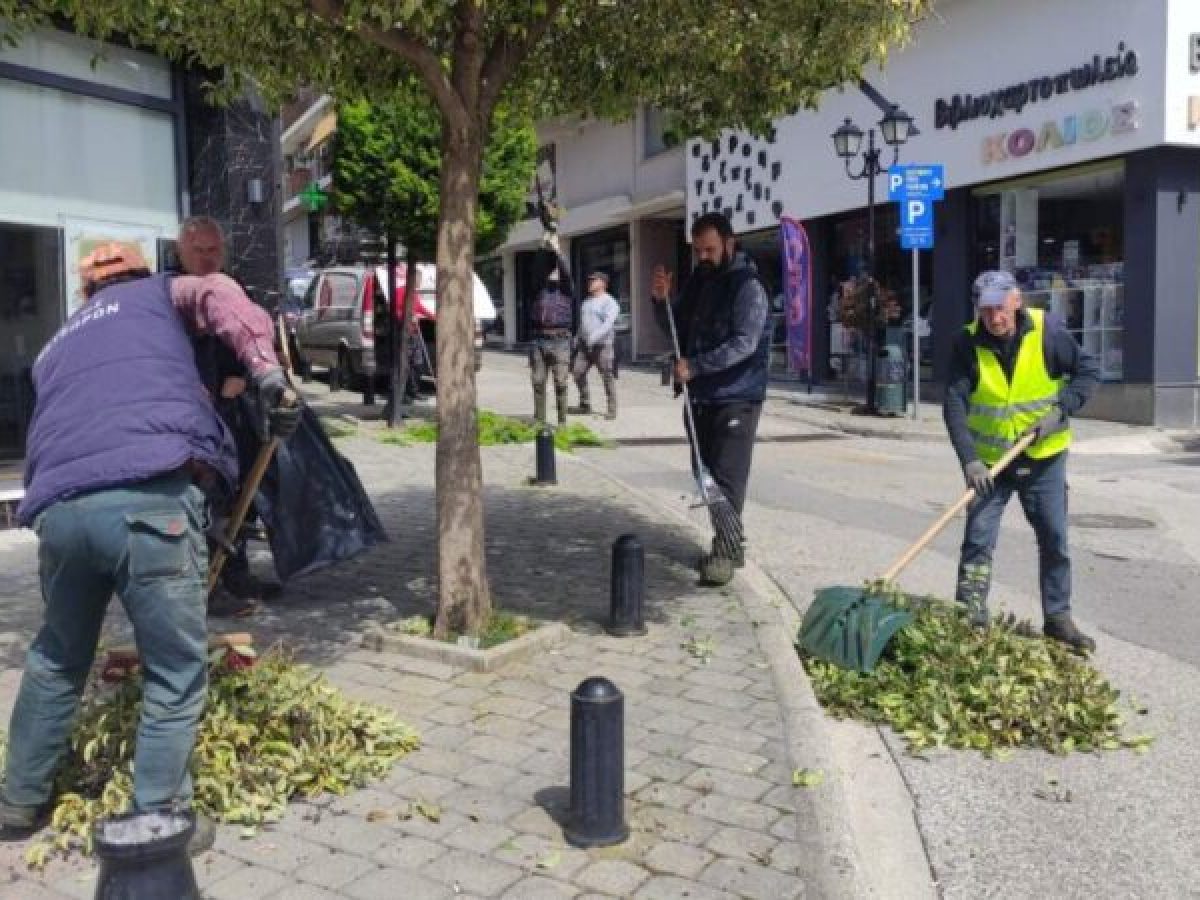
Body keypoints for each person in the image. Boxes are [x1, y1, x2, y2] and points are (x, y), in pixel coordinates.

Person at [0, 243, 299, 850]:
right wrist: (267, 373)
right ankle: (158, 817)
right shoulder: (165, 293)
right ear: (142, 274)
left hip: (61, 515)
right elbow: (216, 289)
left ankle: (17, 801)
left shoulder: (56, 345)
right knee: (175, 669)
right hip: (151, 503)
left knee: (57, 656)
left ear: (86, 291)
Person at [943, 270, 1100, 652]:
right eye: (986, 310)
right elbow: (954, 404)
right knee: (978, 540)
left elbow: (1088, 372)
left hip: (1044, 458)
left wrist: (1060, 411)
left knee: (1054, 539)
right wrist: (970, 461)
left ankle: (1058, 619)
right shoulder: (966, 343)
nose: (994, 317)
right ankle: (970, 618)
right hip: (990, 465)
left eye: (1000, 307)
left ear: (1016, 300)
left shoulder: (1048, 332)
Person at [650, 212, 771, 586]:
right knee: (704, 474)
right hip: (700, 396)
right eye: (698, 250)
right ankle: (730, 542)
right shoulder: (698, 282)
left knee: (727, 477)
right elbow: (676, 329)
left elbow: (745, 343)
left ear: (730, 243)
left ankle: (725, 551)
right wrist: (660, 301)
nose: (703, 257)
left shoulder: (748, 287)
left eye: (710, 249)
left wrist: (697, 366)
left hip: (736, 396)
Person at [177, 217, 276, 618]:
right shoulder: (173, 297)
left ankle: (236, 574)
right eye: (199, 250)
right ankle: (207, 585)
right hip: (193, 417)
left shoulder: (232, 289)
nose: (206, 257)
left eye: (213, 250)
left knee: (239, 495)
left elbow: (248, 342)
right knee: (204, 501)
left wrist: (244, 378)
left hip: (233, 413)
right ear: (182, 251)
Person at [528, 244, 575, 426]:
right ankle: (540, 420)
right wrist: (543, 247)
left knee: (561, 382)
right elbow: (536, 270)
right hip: (538, 340)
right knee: (538, 381)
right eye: (551, 269)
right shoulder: (538, 288)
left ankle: (562, 422)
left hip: (560, 341)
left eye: (556, 269)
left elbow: (567, 274)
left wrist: (558, 253)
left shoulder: (567, 290)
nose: (553, 272)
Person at [571, 270, 620, 419]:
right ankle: (585, 404)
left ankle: (611, 409)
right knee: (577, 372)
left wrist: (593, 337)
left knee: (607, 376)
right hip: (584, 346)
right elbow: (583, 323)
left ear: (603, 284)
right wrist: (577, 338)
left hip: (602, 346)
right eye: (590, 280)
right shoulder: (586, 302)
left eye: (594, 280)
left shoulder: (610, 302)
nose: (590, 283)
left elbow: (608, 324)